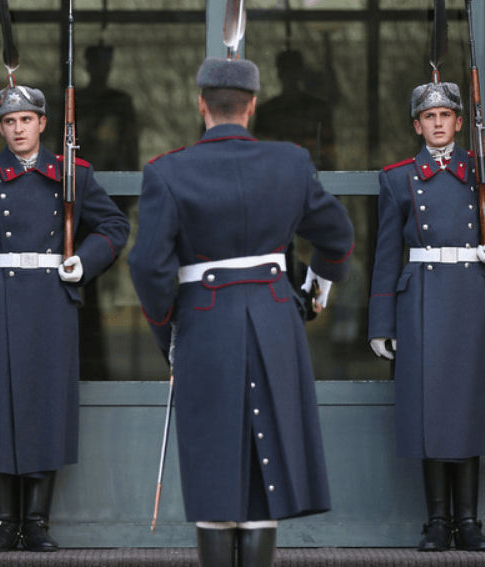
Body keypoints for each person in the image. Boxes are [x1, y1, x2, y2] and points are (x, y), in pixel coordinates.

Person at [127, 57, 354, 567]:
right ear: (252, 106)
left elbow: (147, 267)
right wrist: (317, 285)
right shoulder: (291, 162)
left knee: (211, 459)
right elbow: (338, 235)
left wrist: (167, 331)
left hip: (204, 321)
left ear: (200, 104)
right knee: (266, 459)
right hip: (276, 319)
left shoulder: (167, 170)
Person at [0, 80, 129, 552]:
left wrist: (84, 261)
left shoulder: (73, 173)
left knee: (46, 408)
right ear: (0, 127)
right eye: (9, 121)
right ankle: (4, 522)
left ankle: (37, 521)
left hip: (50, 300)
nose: (18, 128)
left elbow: (114, 225)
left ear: (43, 124)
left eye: (26, 120)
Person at [367, 80, 485, 551]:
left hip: (470, 296)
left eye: (446, 116)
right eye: (429, 117)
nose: (438, 123)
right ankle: (437, 522)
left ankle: (468, 521)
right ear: (416, 125)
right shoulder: (398, 176)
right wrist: (381, 322)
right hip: (420, 297)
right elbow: (385, 252)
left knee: (468, 408)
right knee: (428, 411)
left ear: (460, 123)